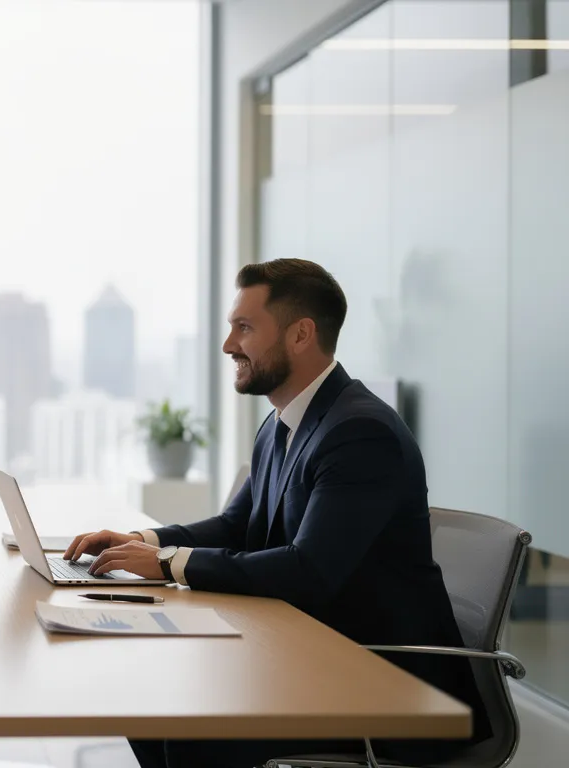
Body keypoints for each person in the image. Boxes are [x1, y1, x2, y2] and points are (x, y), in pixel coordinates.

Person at [64, 259, 488, 768]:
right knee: (154, 699)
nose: (228, 345)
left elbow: (308, 570)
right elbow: (238, 526)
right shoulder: (283, 422)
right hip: (309, 652)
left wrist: (172, 563)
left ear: (301, 335)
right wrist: (143, 541)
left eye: (244, 328)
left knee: (188, 727)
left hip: (384, 685)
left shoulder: (360, 433)